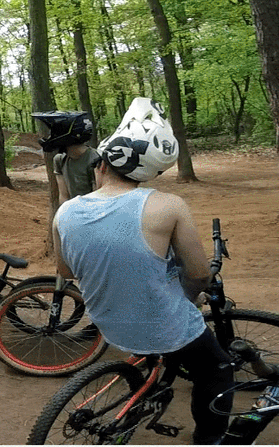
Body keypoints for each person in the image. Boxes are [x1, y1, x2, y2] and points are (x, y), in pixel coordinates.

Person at [52, 98, 233, 444]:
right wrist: (189, 298)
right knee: (216, 370)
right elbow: (198, 273)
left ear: (102, 164)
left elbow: (65, 270)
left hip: (108, 325)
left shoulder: (65, 212)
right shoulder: (168, 206)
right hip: (164, 326)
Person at [32, 110, 100, 205]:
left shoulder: (95, 160)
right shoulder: (59, 160)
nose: (51, 136)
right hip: (72, 213)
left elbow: (98, 200)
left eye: (55, 132)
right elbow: (64, 196)